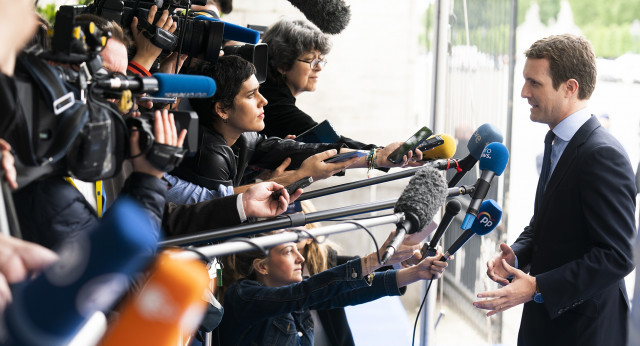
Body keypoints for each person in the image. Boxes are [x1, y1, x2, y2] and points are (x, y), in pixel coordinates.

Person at [473, 34, 636, 345]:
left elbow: (618, 255)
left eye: (534, 83)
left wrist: (538, 287)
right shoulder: (556, 140)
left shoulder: (602, 155)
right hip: (548, 324)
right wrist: (516, 258)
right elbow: (545, 223)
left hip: (585, 332)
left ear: (570, 88)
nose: (523, 93)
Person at [174, 55, 423, 193]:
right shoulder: (209, 154)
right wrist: (299, 176)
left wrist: (377, 157)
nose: (264, 101)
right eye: (251, 95)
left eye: (259, 91)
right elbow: (224, 211)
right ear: (222, 109)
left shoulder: (245, 138)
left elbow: (308, 150)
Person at [215, 229, 447, 345]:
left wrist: (414, 273)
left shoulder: (294, 295)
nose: (301, 258)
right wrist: (373, 260)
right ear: (262, 267)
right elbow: (306, 292)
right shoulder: (242, 295)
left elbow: (347, 292)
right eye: (288, 251)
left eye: (298, 249)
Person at [258, 18, 379, 150]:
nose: (319, 68)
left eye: (320, 60)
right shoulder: (273, 102)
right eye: (310, 60)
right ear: (282, 64)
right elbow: (329, 141)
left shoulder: (273, 93)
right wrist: (381, 155)